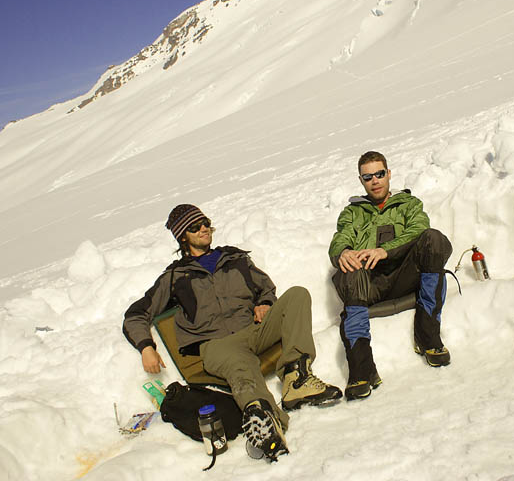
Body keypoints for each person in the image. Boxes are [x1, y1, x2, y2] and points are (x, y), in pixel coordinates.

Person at [123, 204, 341, 462]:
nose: (203, 228)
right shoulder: (175, 277)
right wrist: (146, 346)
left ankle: (297, 379)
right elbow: (136, 314)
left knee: (297, 295)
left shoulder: (235, 259)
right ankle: (262, 418)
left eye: (205, 222)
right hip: (218, 345)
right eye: (195, 227)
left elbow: (266, 287)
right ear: (183, 237)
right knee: (240, 365)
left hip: (254, 331)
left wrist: (266, 303)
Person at [328, 151, 454, 401]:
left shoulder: (408, 204)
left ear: (388, 174)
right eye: (368, 177)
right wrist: (342, 252)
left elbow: (419, 228)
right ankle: (361, 369)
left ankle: (428, 336)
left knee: (434, 239)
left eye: (379, 174)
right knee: (349, 268)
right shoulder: (353, 212)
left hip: (405, 276)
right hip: (369, 285)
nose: (375, 180)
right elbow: (340, 238)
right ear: (361, 180)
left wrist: (385, 250)